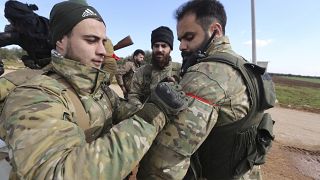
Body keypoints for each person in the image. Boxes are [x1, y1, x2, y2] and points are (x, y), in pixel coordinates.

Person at [0, 1, 188, 179]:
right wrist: (151, 116)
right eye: (91, 40)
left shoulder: (99, 89)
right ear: (60, 41)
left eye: (102, 41)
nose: (102, 51)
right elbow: (58, 173)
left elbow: (125, 110)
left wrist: (160, 104)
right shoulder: (35, 96)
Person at [137, 0, 275, 179]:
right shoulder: (247, 67)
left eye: (189, 37)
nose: (181, 46)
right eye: (180, 39)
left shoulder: (206, 75)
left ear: (215, 31)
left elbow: (165, 161)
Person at [128, 26, 181, 106]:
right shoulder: (141, 72)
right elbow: (133, 95)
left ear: (170, 49)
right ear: (152, 48)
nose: (159, 50)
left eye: (164, 46)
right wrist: (141, 110)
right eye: (156, 46)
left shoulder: (180, 71)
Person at [0, 0, 53, 69]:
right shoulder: (18, 34)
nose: (11, 24)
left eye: (11, 21)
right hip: (42, 70)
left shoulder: (50, 26)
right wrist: (29, 58)